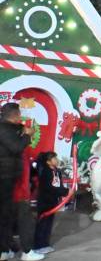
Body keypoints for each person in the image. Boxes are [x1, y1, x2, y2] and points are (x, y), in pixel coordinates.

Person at [0, 103, 34, 260]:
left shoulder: (10, 128)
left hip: (12, 177)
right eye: (19, 115)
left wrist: (24, 131)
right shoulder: (4, 130)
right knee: (6, 215)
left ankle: (6, 249)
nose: (21, 118)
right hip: (5, 178)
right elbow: (16, 147)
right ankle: (9, 249)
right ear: (14, 115)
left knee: (7, 215)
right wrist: (27, 135)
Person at [11, 144, 42, 260]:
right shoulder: (20, 152)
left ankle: (6, 250)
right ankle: (27, 252)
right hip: (19, 195)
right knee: (26, 224)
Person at [33, 151, 68, 255]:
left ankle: (45, 244)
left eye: (56, 158)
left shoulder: (57, 171)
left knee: (49, 224)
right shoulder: (46, 172)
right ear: (48, 162)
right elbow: (49, 188)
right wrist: (65, 192)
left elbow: (59, 185)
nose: (57, 160)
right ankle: (38, 245)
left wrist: (64, 193)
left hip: (53, 201)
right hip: (45, 201)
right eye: (54, 158)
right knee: (42, 224)